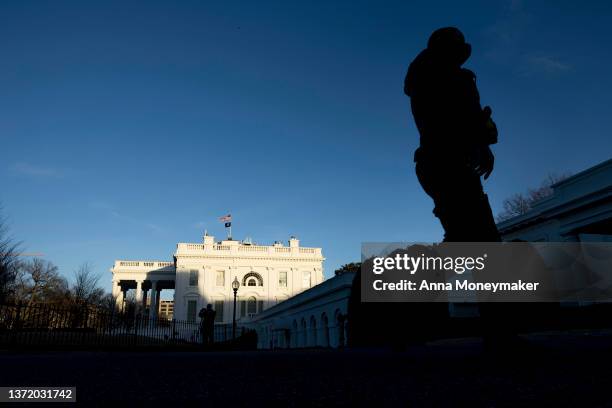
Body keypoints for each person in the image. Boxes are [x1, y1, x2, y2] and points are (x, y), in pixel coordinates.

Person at [404, 27, 500, 242]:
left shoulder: (423, 78)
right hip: (452, 161)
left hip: (435, 163)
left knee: (462, 235)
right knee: (481, 238)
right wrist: (482, 140)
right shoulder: (453, 78)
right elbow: (459, 119)